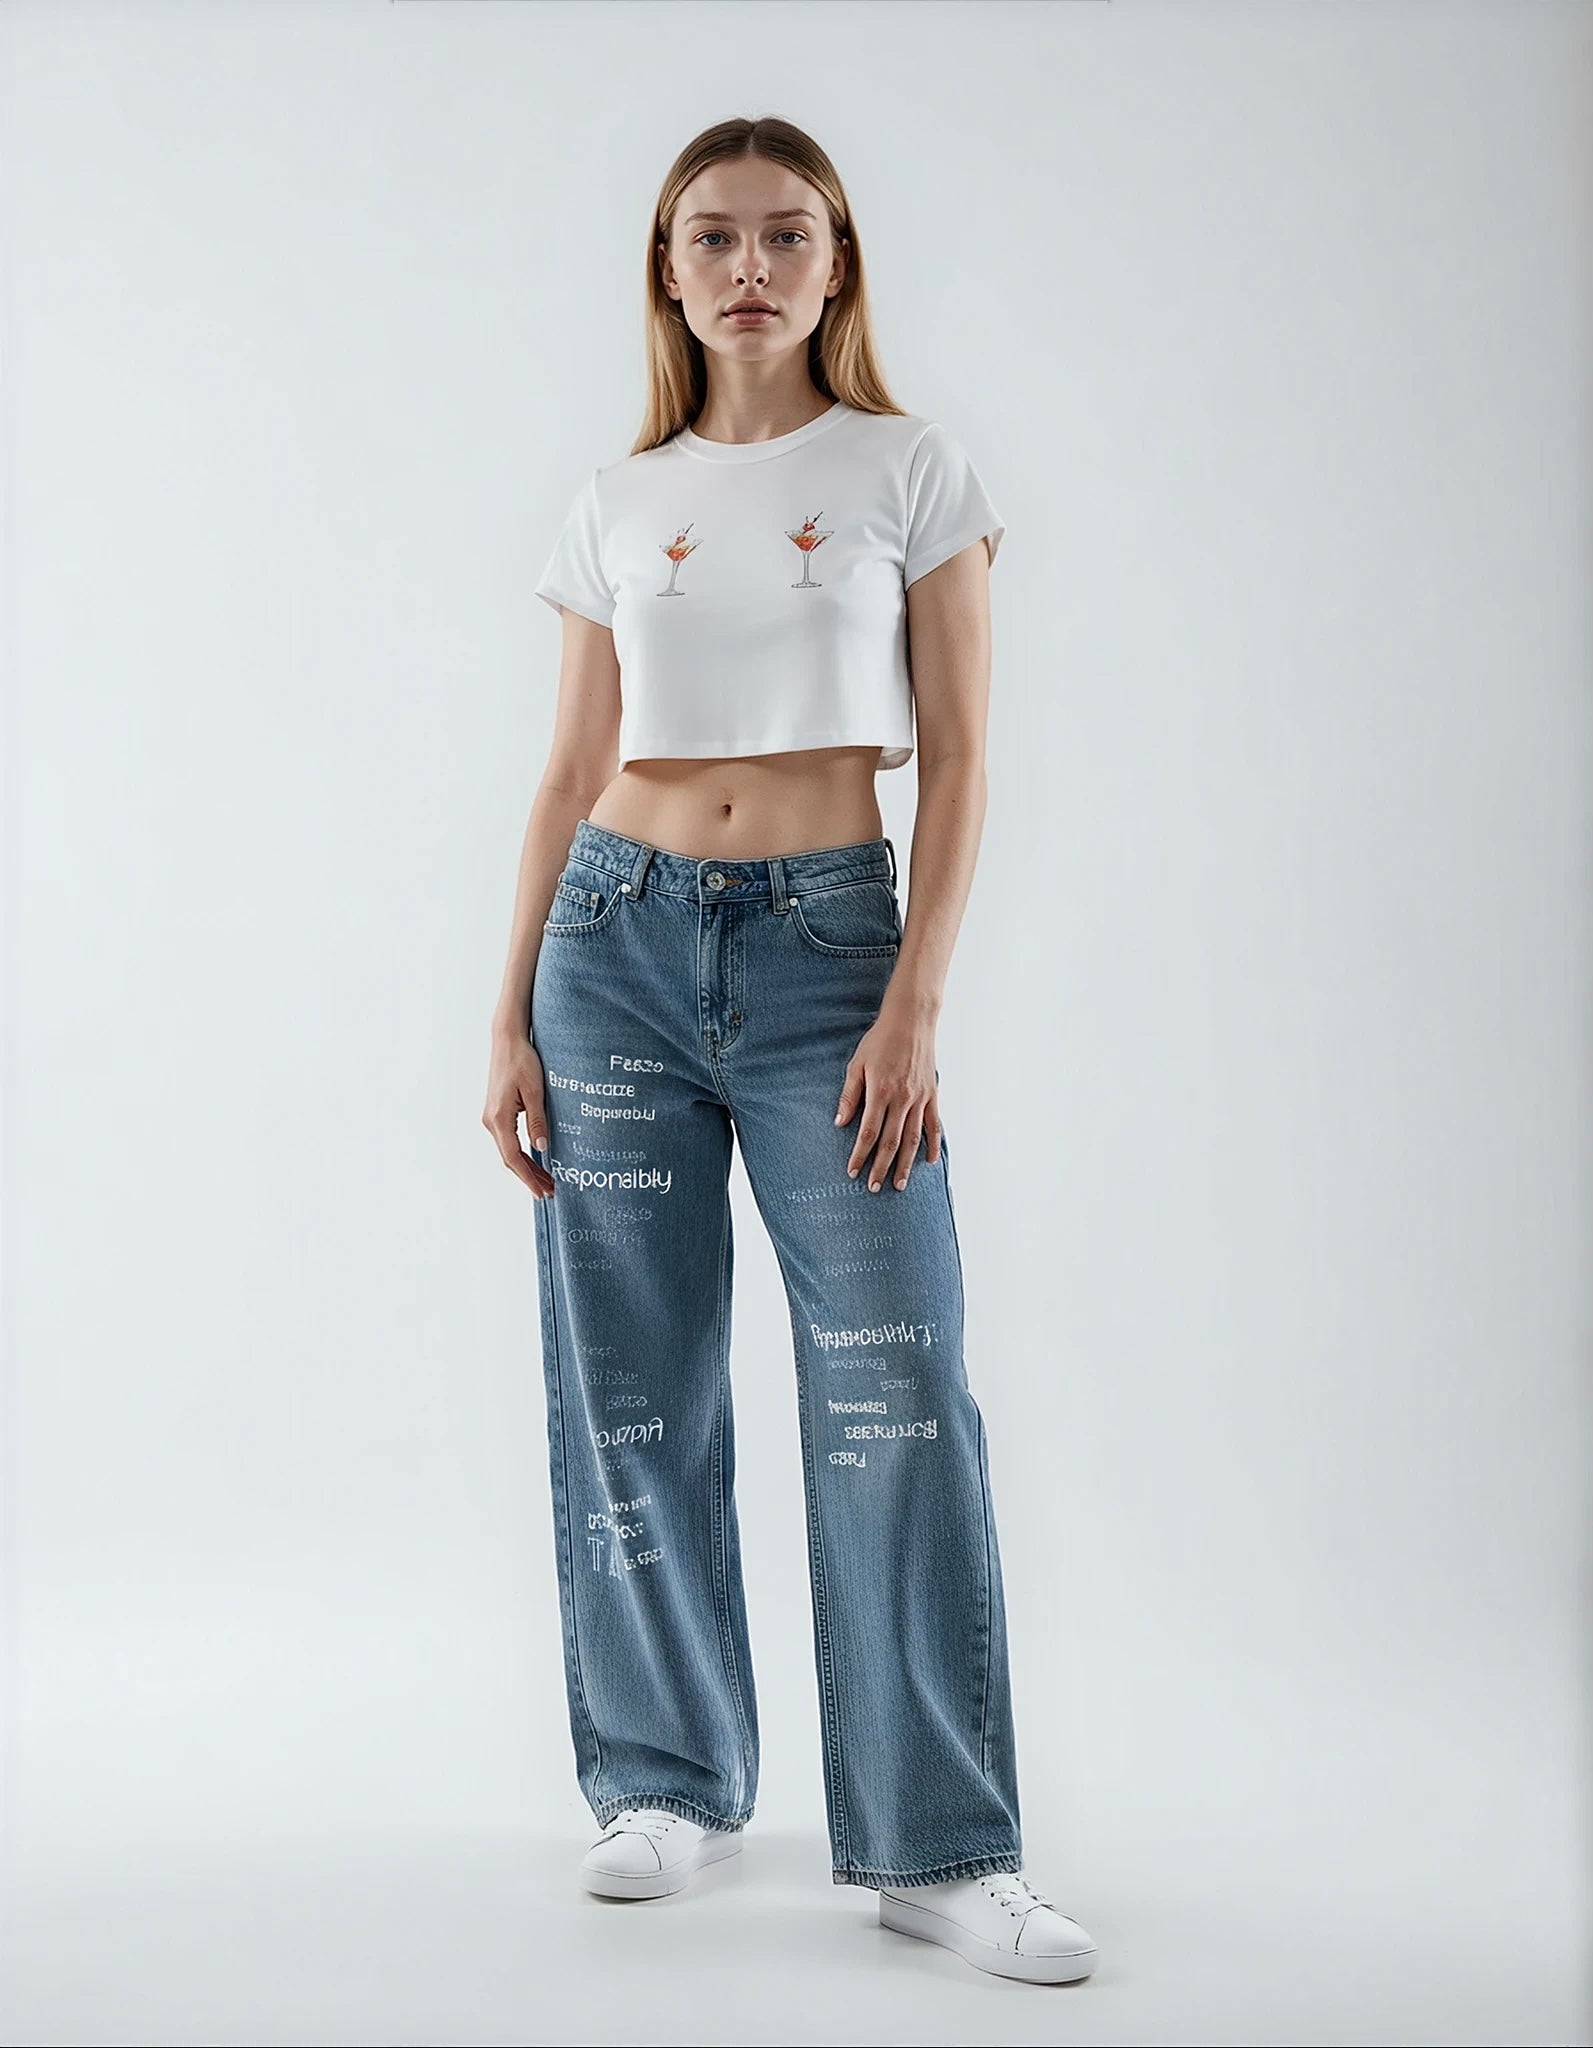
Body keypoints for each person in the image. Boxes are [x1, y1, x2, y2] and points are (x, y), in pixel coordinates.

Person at [483, 114, 1099, 1987]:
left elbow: (968, 755)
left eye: (787, 234)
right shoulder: (613, 498)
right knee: (634, 1385)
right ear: (666, 271)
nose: (748, 263)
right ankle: (662, 1782)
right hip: (616, 951)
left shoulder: (915, 468)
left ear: (836, 265)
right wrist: (507, 1003)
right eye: (710, 236)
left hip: (835, 953)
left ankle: (939, 1843)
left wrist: (916, 994)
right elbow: (573, 769)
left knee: (895, 1382)